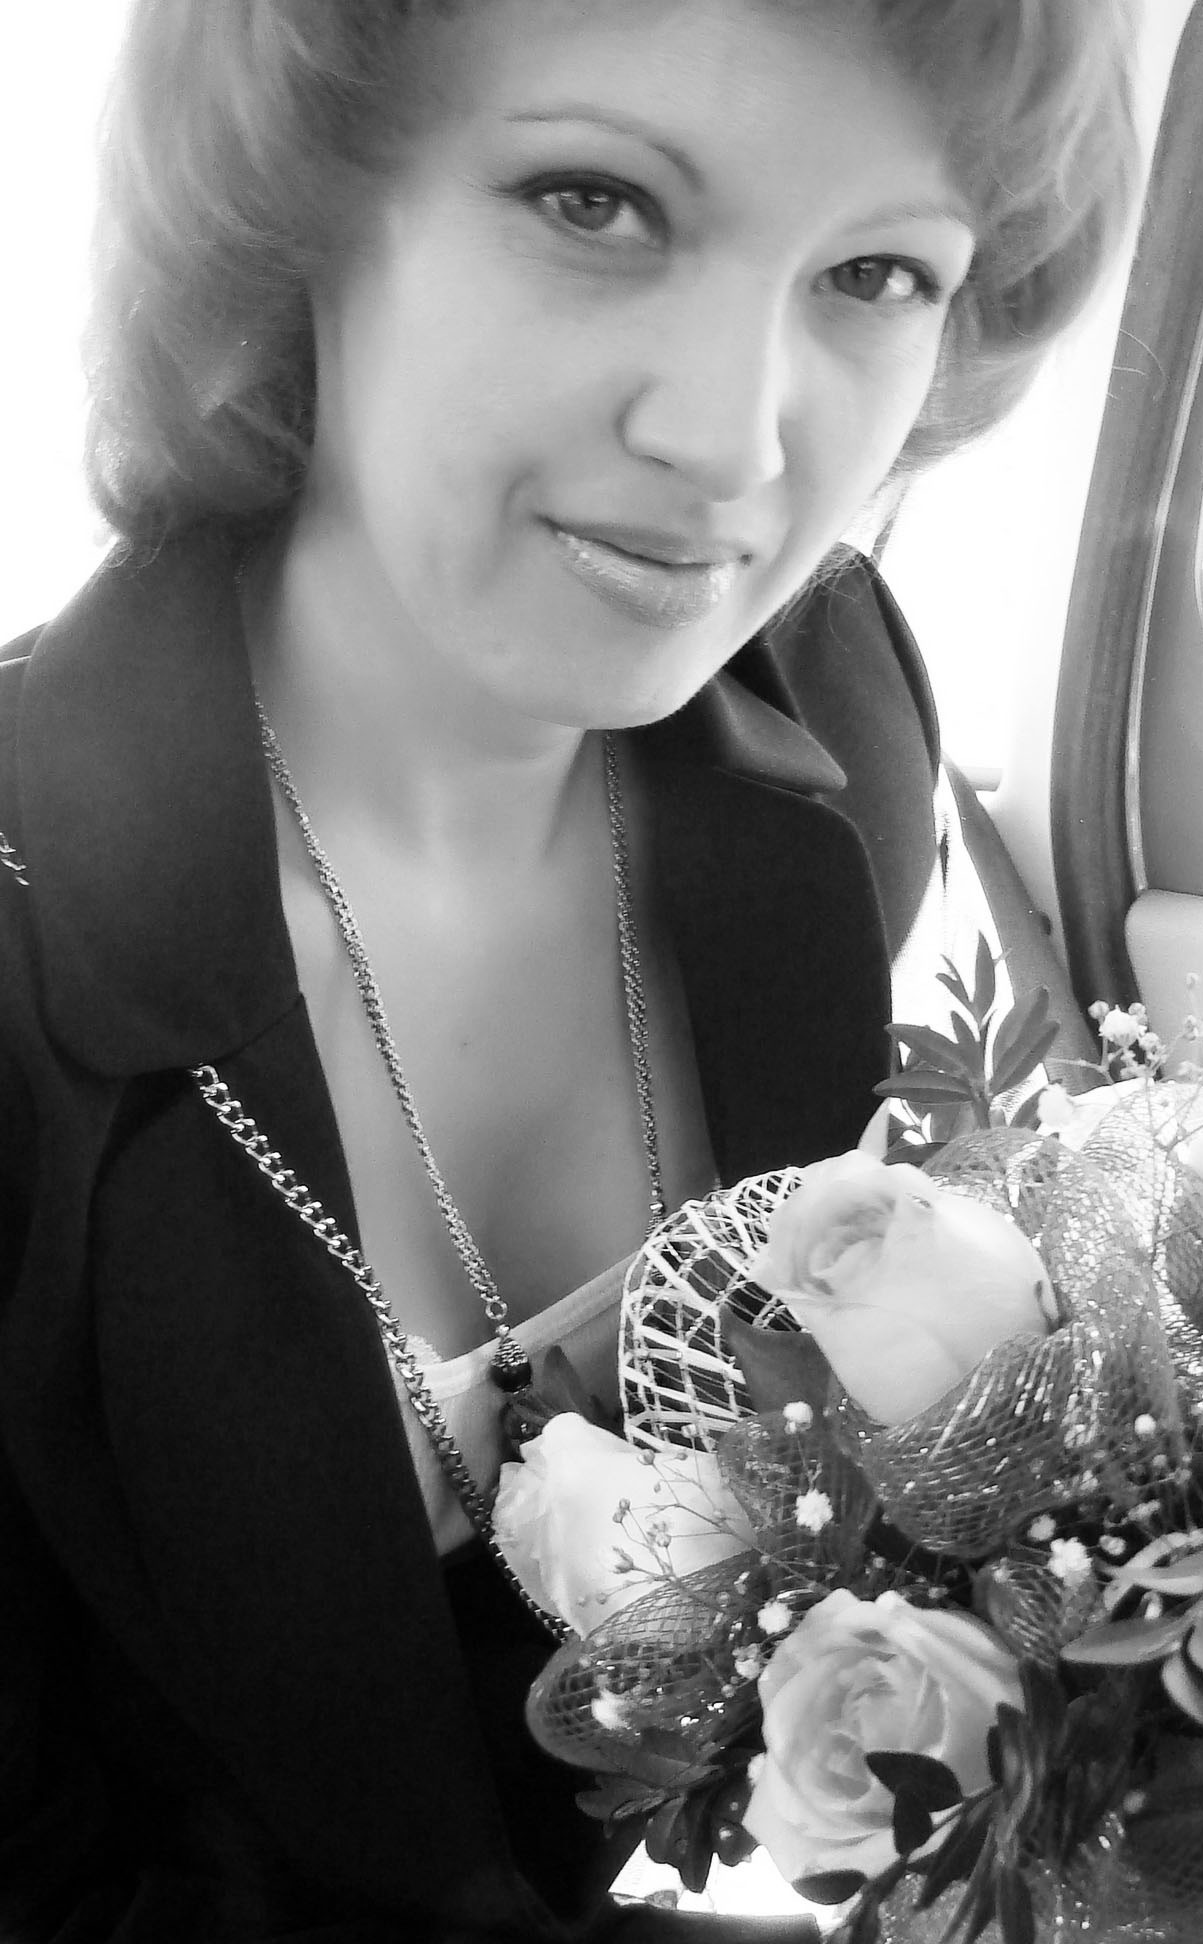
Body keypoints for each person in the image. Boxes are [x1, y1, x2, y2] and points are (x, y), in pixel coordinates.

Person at [0, 1, 1140, 1937]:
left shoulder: (836, 732)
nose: (734, 441)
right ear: (296, 207)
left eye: (876, 273)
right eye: (594, 203)